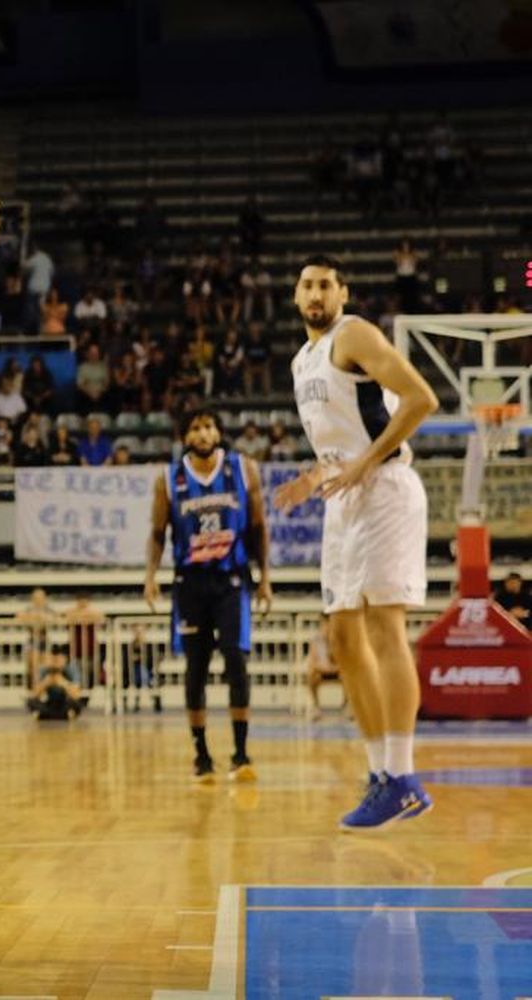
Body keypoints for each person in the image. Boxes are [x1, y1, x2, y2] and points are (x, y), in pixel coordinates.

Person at [274, 254, 438, 831]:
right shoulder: (302, 360)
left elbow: (421, 399)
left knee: (383, 626)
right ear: (296, 298)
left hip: (386, 486)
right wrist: (311, 477)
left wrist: (365, 462)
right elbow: (337, 446)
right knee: (342, 636)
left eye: (324, 284)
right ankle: (380, 776)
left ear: (342, 293)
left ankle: (403, 773)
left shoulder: (355, 334)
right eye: (306, 285)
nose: (315, 292)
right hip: (343, 495)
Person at [144, 408, 273, 783]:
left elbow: (259, 527)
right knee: (196, 669)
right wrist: (150, 576)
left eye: (209, 426)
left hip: (231, 579)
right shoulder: (168, 479)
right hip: (190, 583)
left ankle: (241, 753)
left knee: (236, 661)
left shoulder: (242, 469)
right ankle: (201, 756)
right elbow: (156, 534)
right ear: (185, 437)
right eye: (196, 428)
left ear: (218, 431)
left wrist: (265, 578)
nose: (204, 433)